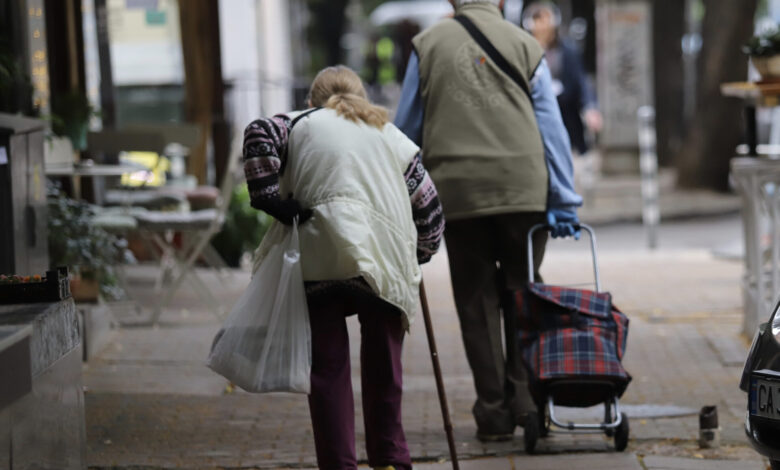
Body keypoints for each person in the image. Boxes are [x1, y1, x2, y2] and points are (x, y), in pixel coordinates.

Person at [394, 0, 582, 442]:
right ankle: (525, 401)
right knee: (522, 291)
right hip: (523, 188)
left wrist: (400, 197)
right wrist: (565, 198)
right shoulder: (525, 44)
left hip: (460, 193)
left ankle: (494, 412)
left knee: (476, 303)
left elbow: (405, 130)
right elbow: (550, 128)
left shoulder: (426, 45)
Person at [243, 66, 444, 470]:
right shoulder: (391, 136)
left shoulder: (298, 123)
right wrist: (419, 253)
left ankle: (339, 465)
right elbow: (430, 210)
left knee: (328, 370)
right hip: (382, 259)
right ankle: (390, 459)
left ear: (311, 101)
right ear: (362, 97)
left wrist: (270, 199)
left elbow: (258, 132)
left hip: (320, 256)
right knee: (384, 362)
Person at [523, 1, 602, 156]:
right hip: (535, 117)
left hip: (566, 114)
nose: (543, 27)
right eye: (538, 22)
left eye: (547, 21)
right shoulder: (524, 51)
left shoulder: (568, 50)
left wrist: (590, 107)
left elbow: (581, 80)